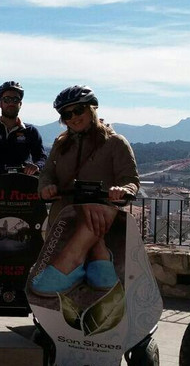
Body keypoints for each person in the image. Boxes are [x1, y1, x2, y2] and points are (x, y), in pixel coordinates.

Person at [32, 85, 139, 296]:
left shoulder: (115, 143)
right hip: (63, 219)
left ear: (92, 109)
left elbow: (130, 179)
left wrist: (122, 190)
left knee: (96, 280)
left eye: (78, 110)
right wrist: (45, 188)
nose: (73, 117)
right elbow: (47, 173)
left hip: (99, 219)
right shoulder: (61, 143)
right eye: (66, 114)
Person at [0, 81, 46, 177]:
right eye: (6, 99)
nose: (11, 103)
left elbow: (41, 157)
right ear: (0, 103)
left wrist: (37, 166)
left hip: (25, 184)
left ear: (20, 103)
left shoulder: (30, 131)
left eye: (15, 99)